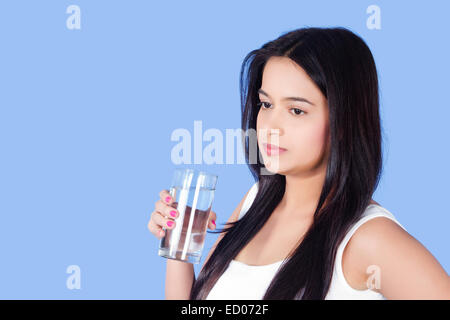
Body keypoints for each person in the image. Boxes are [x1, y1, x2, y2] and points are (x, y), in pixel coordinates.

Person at [148, 27, 450, 300]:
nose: (270, 126)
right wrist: (179, 250)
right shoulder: (255, 203)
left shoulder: (366, 238)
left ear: (343, 122)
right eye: (266, 104)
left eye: (296, 111)